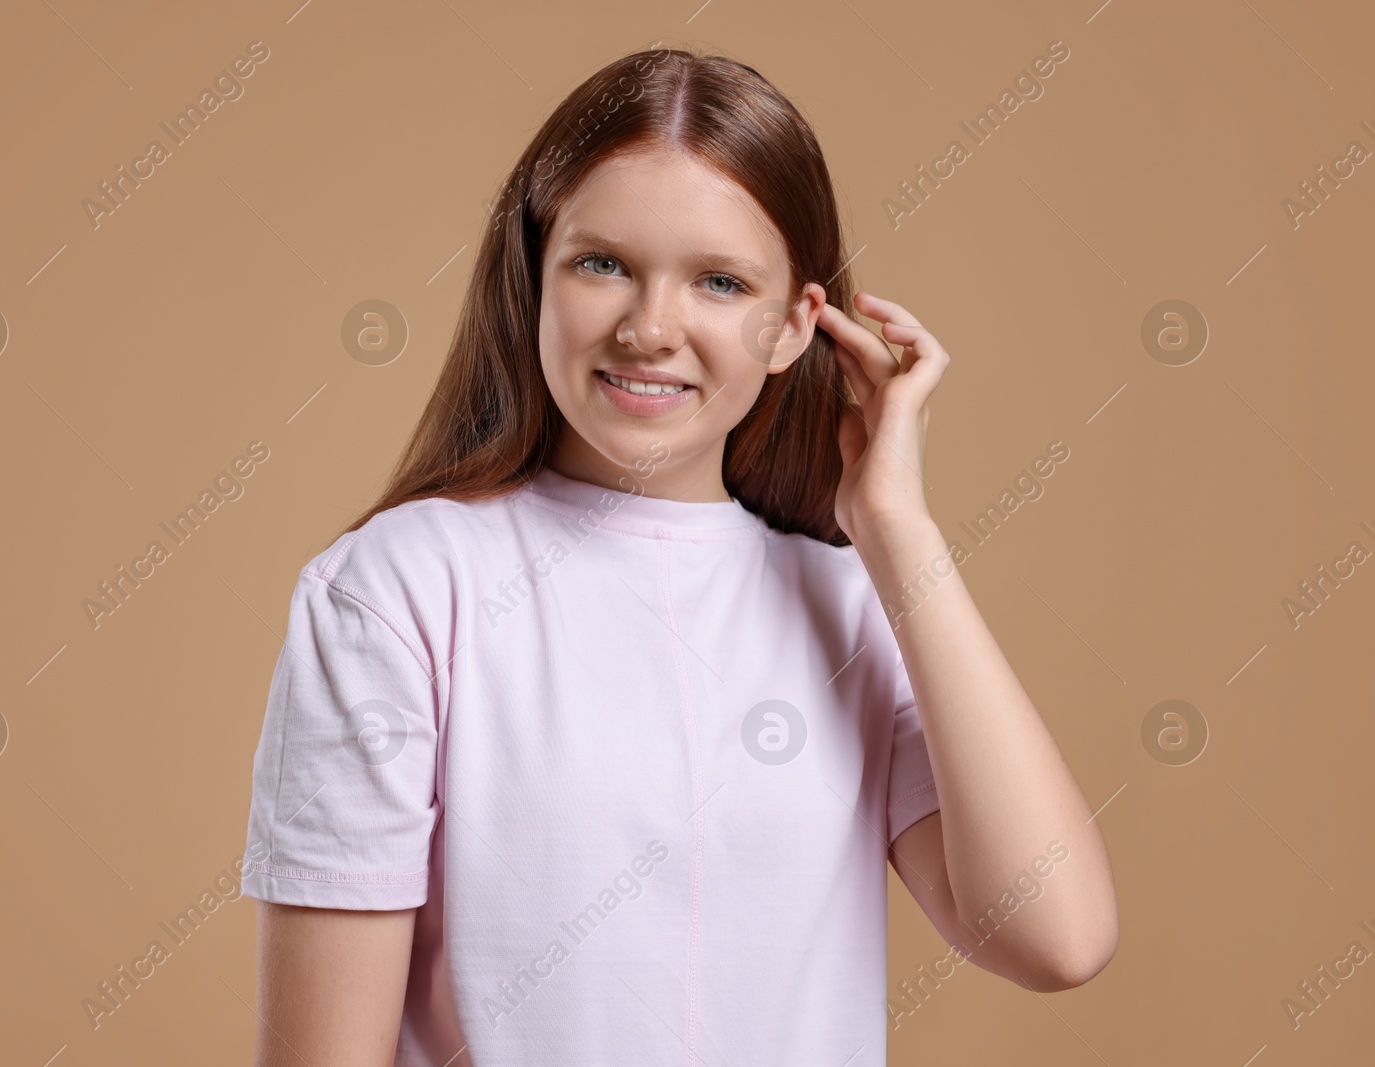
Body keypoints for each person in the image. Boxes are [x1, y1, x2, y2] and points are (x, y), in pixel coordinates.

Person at [241, 44, 1118, 1067]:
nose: (650, 328)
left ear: (796, 326)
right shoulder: (397, 589)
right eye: (601, 262)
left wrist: (899, 532)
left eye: (717, 280)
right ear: (535, 275)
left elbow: (1055, 933)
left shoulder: (850, 603)